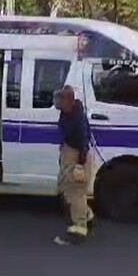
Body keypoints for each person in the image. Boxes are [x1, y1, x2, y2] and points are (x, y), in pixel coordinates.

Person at [52, 85, 94, 245]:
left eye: (61, 99)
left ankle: (78, 230)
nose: (57, 102)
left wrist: (80, 164)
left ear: (69, 99)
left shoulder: (76, 118)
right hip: (69, 153)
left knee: (75, 192)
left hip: (76, 156)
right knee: (66, 188)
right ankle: (87, 216)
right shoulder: (67, 113)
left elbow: (83, 140)